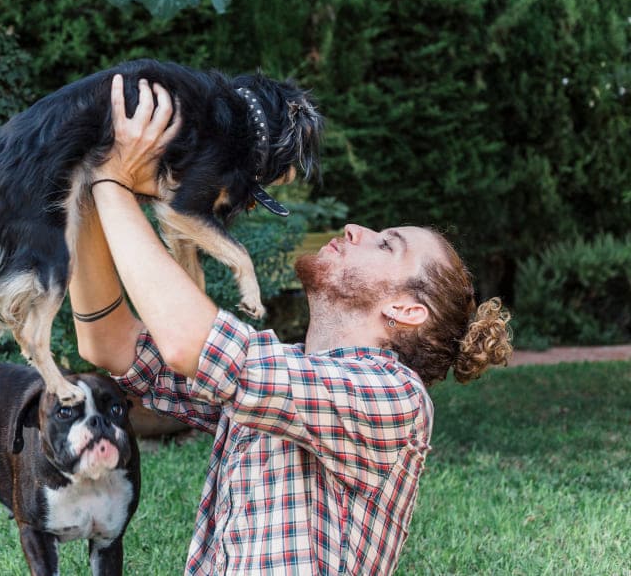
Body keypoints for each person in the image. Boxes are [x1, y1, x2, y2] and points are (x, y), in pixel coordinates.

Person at [70, 75, 514, 575]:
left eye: (387, 244)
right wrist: (88, 191)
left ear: (407, 311)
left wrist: (113, 180)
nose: (356, 229)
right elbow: (110, 342)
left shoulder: (395, 397)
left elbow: (191, 344)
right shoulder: (283, 377)